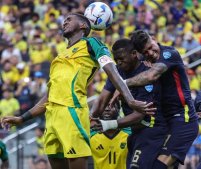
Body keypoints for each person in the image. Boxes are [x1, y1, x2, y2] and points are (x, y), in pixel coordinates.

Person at [1, 13, 153, 169]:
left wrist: (130, 99)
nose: (64, 22)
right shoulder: (59, 57)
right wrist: (21, 119)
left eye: (69, 19)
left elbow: (112, 71)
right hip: (52, 117)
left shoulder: (91, 43)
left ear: (83, 26)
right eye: (64, 20)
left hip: (71, 111)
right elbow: (49, 96)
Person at [125, 30, 199, 168]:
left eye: (151, 48)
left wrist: (122, 84)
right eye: (145, 52)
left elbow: (151, 76)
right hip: (164, 122)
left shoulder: (169, 54)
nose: (151, 53)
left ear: (153, 39)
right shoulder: (143, 62)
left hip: (184, 118)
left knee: (158, 166)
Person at [92, 38, 168, 169]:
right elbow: (102, 99)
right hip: (136, 133)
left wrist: (107, 124)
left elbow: (140, 114)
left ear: (134, 54)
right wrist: (91, 118)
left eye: (121, 58)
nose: (119, 63)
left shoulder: (146, 73)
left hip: (153, 132)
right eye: (116, 60)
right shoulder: (117, 71)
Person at [90, 102, 129, 169]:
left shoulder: (130, 133)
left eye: (111, 105)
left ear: (118, 109)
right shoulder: (90, 134)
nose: (107, 109)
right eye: (104, 105)